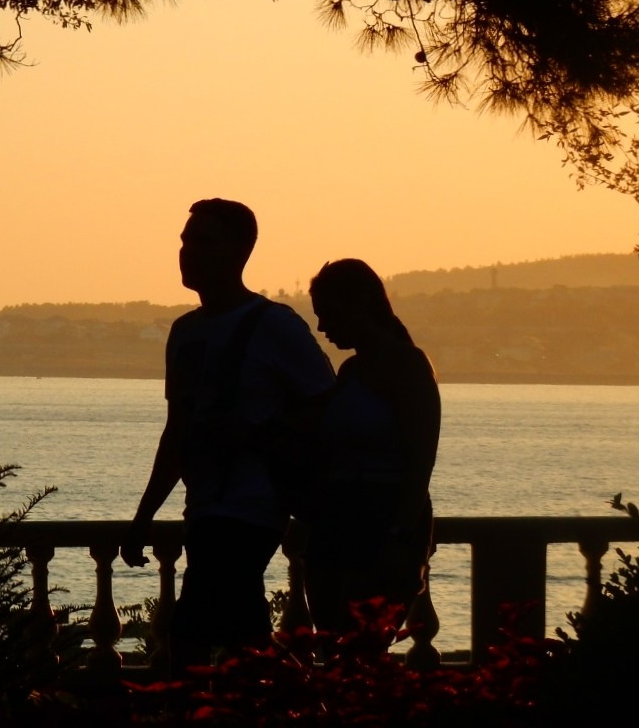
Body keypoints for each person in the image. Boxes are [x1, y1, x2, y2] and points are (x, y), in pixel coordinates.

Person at [120, 199, 335, 673]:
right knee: (239, 630)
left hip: (253, 505)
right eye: (184, 241)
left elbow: (326, 404)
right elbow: (177, 430)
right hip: (205, 507)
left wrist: (258, 432)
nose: (187, 251)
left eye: (202, 241)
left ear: (239, 251)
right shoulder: (184, 332)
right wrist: (143, 517)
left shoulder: (275, 325)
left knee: (191, 632)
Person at [304, 258, 441, 636]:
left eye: (327, 313)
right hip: (336, 525)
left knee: (363, 645)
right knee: (334, 643)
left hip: (381, 525)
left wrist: (400, 535)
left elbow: (420, 462)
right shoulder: (349, 373)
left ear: (359, 305)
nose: (321, 326)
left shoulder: (409, 367)